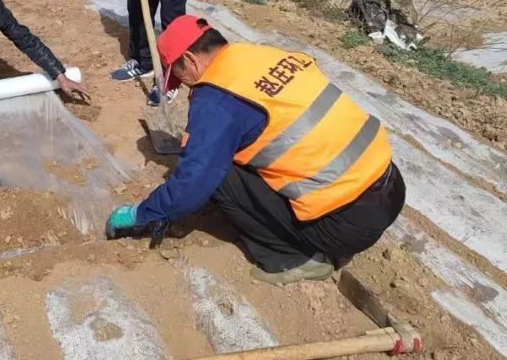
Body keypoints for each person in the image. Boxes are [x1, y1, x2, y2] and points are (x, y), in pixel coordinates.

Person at [105, 16, 405, 285]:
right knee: (236, 148)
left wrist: (141, 214)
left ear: (190, 59)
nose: (183, 86)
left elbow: (192, 184)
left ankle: (296, 257)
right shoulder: (261, 54)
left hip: (347, 223)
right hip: (389, 182)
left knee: (216, 174)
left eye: (179, 76)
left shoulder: (216, 99)